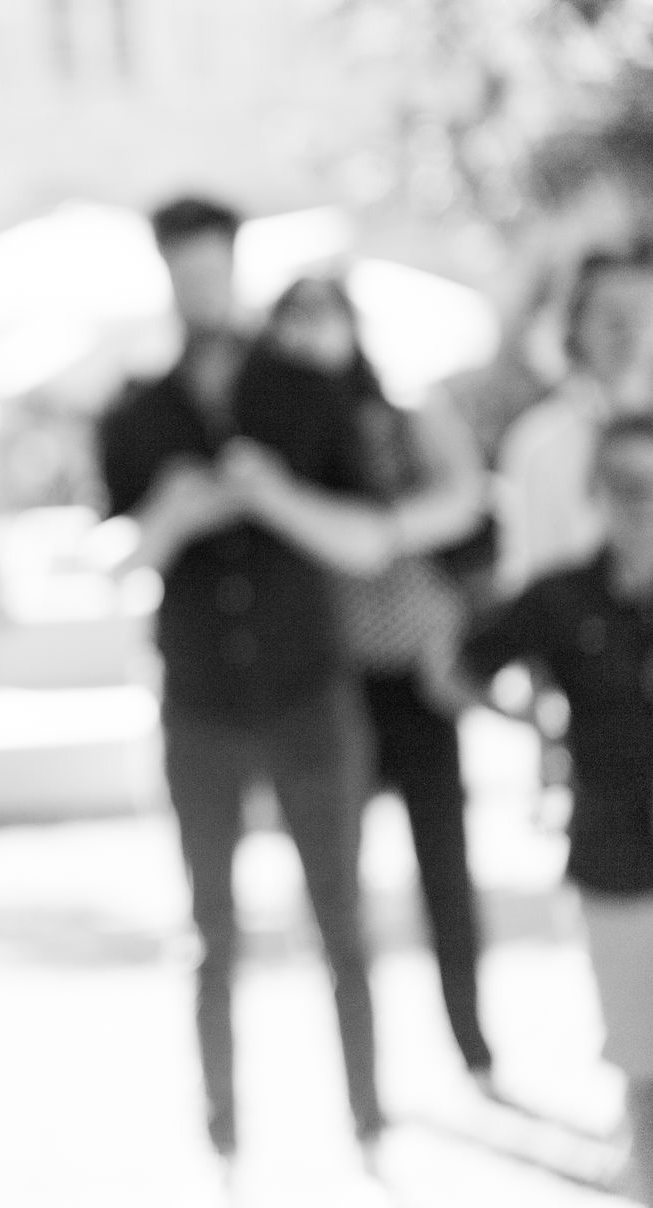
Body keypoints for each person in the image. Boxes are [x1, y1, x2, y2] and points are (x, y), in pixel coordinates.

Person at [97, 197, 388, 1159]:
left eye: (211, 270)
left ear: (234, 267)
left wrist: (276, 496)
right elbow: (114, 556)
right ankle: (223, 1137)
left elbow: (370, 539)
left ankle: (369, 1123)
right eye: (184, 273)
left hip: (310, 694)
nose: (200, 290)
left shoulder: (308, 389)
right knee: (209, 934)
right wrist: (172, 515)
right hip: (200, 707)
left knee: (342, 923)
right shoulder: (136, 413)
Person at [257, 276, 498, 1083]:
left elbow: (463, 501)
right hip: (340, 682)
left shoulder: (404, 416)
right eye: (295, 322)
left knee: (445, 872)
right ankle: (365, 1071)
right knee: (341, 887)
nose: (310, 337)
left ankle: (470, 1040)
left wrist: (385, 529)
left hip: (423, 675)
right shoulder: (285, 434)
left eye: (322, 318)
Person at [463, 412, 653, 1208]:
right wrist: (539, 724)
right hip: (617, 857)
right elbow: (457, 666)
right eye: (627, 486)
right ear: (598, 493)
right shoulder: (561, 598)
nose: (645, 505)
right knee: (650, 1074)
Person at [497, 243, 653, 591]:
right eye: (612, 316)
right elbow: (530, 573)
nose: (630, 331)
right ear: (576, 327)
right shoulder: (540, 441)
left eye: (644, 313)